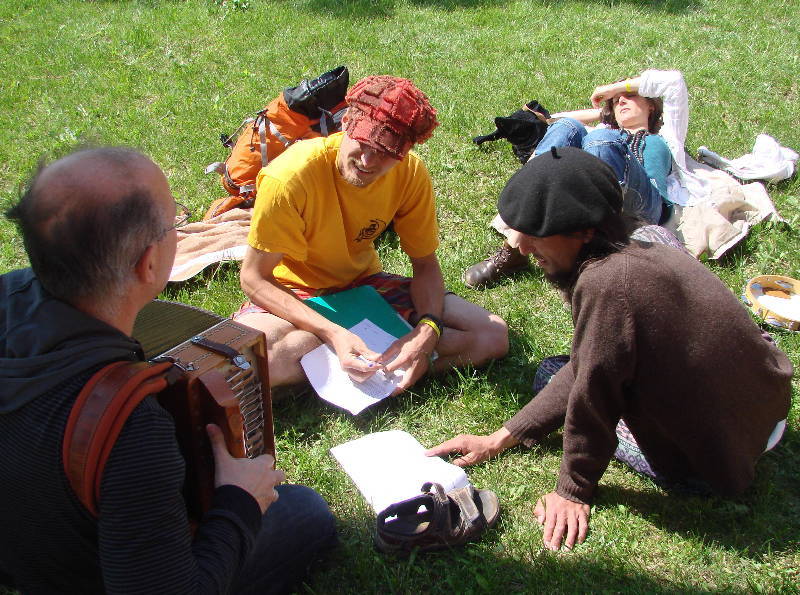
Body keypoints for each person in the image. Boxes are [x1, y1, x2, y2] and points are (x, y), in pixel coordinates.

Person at [0, 148, 337, 594]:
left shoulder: (9, 293)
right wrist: (239, 501)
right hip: (82, 574)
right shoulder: (130, 430)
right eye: (174, 222)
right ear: (149, 262)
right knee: (305, 513)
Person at [428, 148, 793, 551]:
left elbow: (593, 393)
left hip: (717, 461)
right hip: (766, 408)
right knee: (579, 365)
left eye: (536, 234)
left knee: (552, 372)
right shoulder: (647, 239)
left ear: (585, 231)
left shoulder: (607, 283)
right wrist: (500, 438)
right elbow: (592, 363)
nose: (525, 249)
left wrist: (573, 489)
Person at [236, 75, 508, 393]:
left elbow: (425, 265)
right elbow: (254, 279)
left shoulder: (410, 173)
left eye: (385, 153)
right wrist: (332, 332)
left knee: (492, 335)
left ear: (404, 153)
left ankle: (372, 366)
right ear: (347, 121)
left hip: (363, 286)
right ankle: (369, 360)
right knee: (250, 359)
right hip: (295, 293)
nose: (367, 161)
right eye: (364, 143)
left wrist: (427, 332)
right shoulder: (289, 178)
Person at [465, 69, 692, 288]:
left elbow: (674, 83)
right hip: (594, 195)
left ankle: (590, 247)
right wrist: (605, 114)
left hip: (646, 208)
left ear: (651, 105)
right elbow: (554, 121)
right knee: (568, 127)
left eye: (630, 96)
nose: (621, 101)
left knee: (602, 137)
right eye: (616, 101)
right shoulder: (600, 133)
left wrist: (613, 89)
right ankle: (514, 248)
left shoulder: (666, 134)